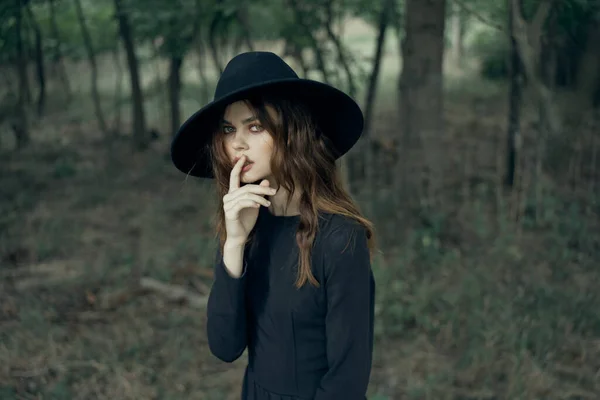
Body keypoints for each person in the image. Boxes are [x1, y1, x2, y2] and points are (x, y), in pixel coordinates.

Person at [170, 51, 377, 400]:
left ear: (292, 132)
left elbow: (347, 380)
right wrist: (233, 245)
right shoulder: (247, 227)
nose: (237, 143)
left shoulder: (340, 238)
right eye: (228, 129)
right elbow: (225, 347)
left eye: (254, 126)